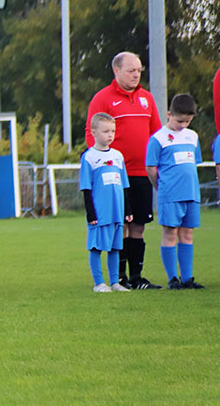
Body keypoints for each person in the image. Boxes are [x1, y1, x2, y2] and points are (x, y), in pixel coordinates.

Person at [85, 51, 162, 290]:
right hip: (116, 177)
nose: (136, 75)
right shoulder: (102, 98)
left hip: (142, 173)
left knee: (138, 225)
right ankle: (118, 278)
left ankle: (137, 277)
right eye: (131, 70)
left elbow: (156, 134)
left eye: (139, 70)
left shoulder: (147, 98)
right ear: (116, 70)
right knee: (121, 225)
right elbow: (90, 134)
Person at [145, 94, 204, 290]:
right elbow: (151, 168)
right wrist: (161, 188)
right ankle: (173, 278)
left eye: (187, 121)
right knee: (170, 233)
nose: (183, 125)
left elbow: (193, 164)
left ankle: (187, 278)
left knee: (187, 234)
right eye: (179, 121)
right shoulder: (158, 139)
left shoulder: (192, 136)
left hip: (191, 194)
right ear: (169, 115)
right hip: (170, 195)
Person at [80, 112, 132, 293]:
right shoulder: (89, 157)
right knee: (96, 248)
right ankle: (99, 283)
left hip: (116, 211)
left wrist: (127, 210)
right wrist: (91, 213)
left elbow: (124, 185)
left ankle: (115, 282)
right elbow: (86, 188)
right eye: (105, 131)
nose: (110, 135)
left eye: (112, 131)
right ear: (94, 132)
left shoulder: (118, 156)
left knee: (115, 248)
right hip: (100, 212)